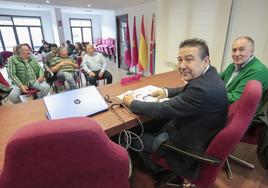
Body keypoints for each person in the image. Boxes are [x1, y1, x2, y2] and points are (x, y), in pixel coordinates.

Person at [123, 38, 228, 179]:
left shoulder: (202, 90)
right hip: (197, 132)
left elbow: (162, 109)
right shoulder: (211, 75)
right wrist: (166, 92)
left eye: (189, 59)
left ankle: (153, 172)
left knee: (127, 136)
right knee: (147, 124)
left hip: (183, 147)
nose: (182, 65)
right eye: (180, 59)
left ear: (205, 61)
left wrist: (132, 102)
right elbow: (188, 88)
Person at [220, 36, 268, 116]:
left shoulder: (258, 71)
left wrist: (211, 93)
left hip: (239, 115)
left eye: (241, 49)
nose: (236, 54)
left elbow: (236, 98)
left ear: (252, 51)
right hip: (224, 107)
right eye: (234, 50)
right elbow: (216, 79)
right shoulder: (233, 65)